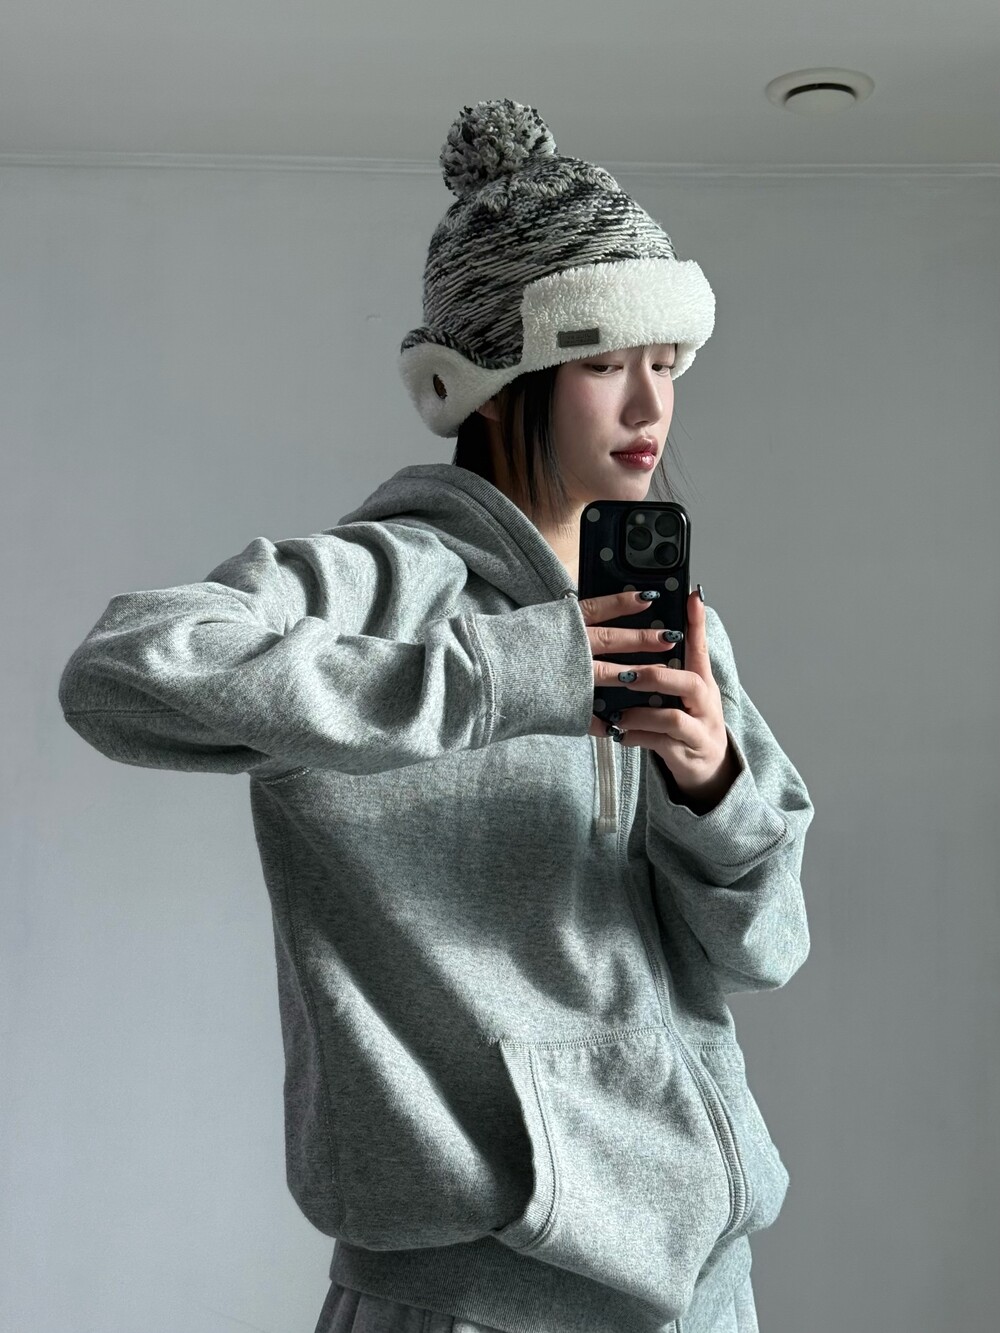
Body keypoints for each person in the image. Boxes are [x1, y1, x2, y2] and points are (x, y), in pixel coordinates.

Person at [58, 99, 814, 1333]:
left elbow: (764, 951)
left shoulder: (669, 623)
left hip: (706, 1293)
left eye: (667, 363)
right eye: (603, 362)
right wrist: (510, 676)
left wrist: (711, 789)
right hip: (471, 1295)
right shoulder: (374, 586)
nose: (649, 407)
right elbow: (123, 670)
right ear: (493, 382)